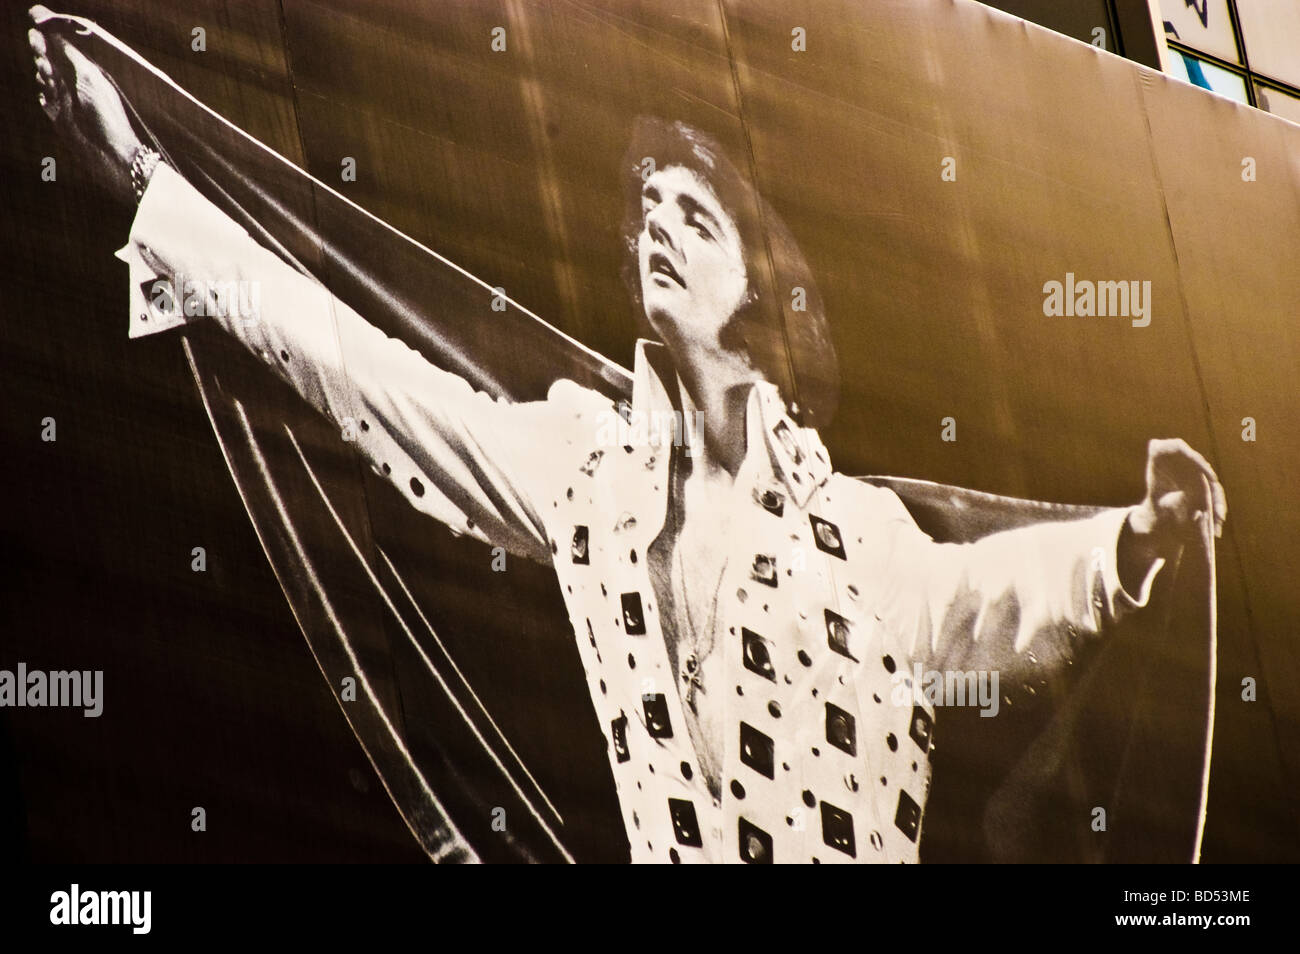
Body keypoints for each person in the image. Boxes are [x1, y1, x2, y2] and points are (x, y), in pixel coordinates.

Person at [29, 22, 1226, 864]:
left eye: (694, 216)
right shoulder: (584, 469)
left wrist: (1135, 538)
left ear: (764, 290)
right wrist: (145, 185)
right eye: (648, 208)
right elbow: (366, 372)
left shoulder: (858, 539)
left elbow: (994, 597)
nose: (658, 224)